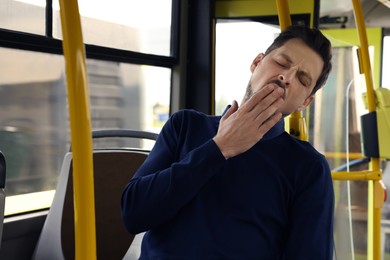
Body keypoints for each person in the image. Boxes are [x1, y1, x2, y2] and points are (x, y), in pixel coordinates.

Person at [121, 25, 334, 259]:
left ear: (306, 101)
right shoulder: (185, 126)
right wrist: (219, 148)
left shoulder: (308, 167)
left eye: (302, 80)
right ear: (256, 63)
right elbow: (133, 215)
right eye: (282, 63)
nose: (286, 78)